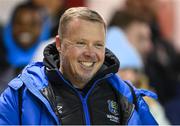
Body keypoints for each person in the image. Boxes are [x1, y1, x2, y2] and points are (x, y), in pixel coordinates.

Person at [0, 7, 157, 125]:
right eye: (81, 43)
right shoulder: (21, 95)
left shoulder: (126, 96)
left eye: (98, 45)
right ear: (59, 44)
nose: (90, 53)